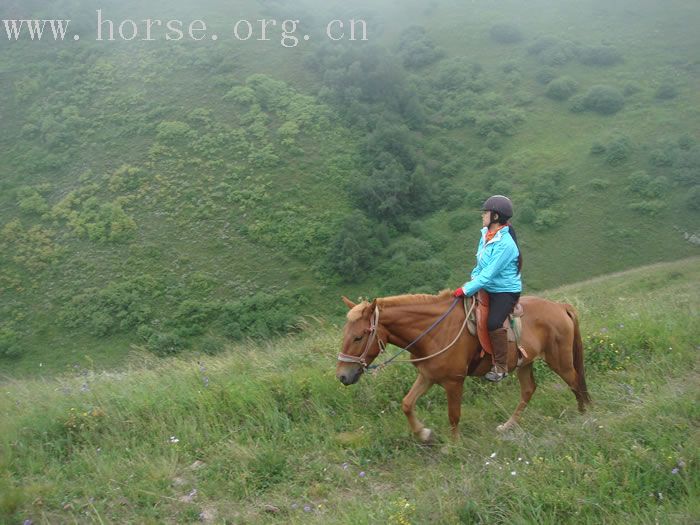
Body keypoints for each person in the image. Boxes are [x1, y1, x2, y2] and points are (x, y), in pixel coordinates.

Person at [453, 195, 523, 382]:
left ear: (495, 217)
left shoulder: (506, 244)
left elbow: (489, 273)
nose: (483, 216)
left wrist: (466, 289)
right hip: (486, 284)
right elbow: (480, 266)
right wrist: (472, 280)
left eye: (486, 213)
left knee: (493, 322)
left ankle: (501, 367)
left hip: (504, 290)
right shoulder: (485, 234)